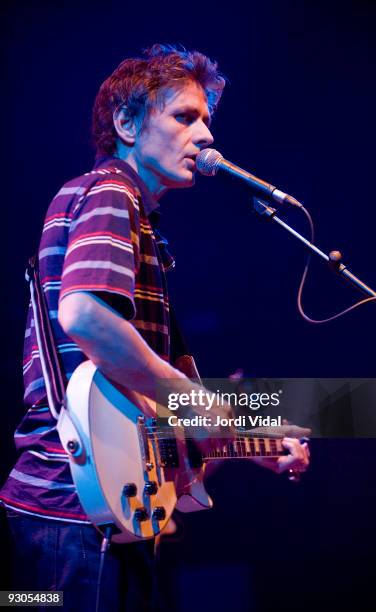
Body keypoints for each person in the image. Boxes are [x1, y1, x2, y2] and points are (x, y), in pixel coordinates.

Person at [0, 44, 310, 610]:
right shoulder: (114, 192)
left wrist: (250, 437)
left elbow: (139, 404)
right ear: (126, 123)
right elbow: (84, 315)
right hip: (76, 523)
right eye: (184, 117)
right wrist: (197, 399)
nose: (206, 136)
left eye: (207, 121)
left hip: (62, 520)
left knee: (22, 602)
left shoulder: (122, 210)